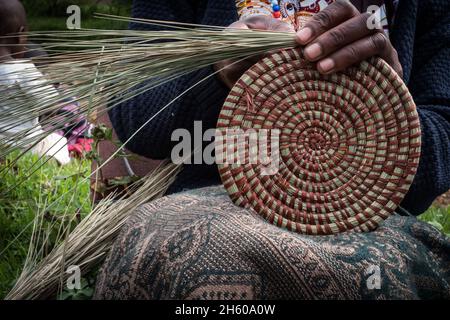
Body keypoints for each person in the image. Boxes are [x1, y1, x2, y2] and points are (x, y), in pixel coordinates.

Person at [95, 0, 450, 299]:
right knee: (213, 261)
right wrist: (214, 69)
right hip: (211, 199)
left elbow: (443, 138)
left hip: (371, 222)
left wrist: (390, 111)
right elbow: (135, 109)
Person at [0, 0, 70, 165]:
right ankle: (48, 164)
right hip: (24, 147)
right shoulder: (25, 71)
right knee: (58, 142)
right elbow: (52, 103)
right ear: (20, 35)